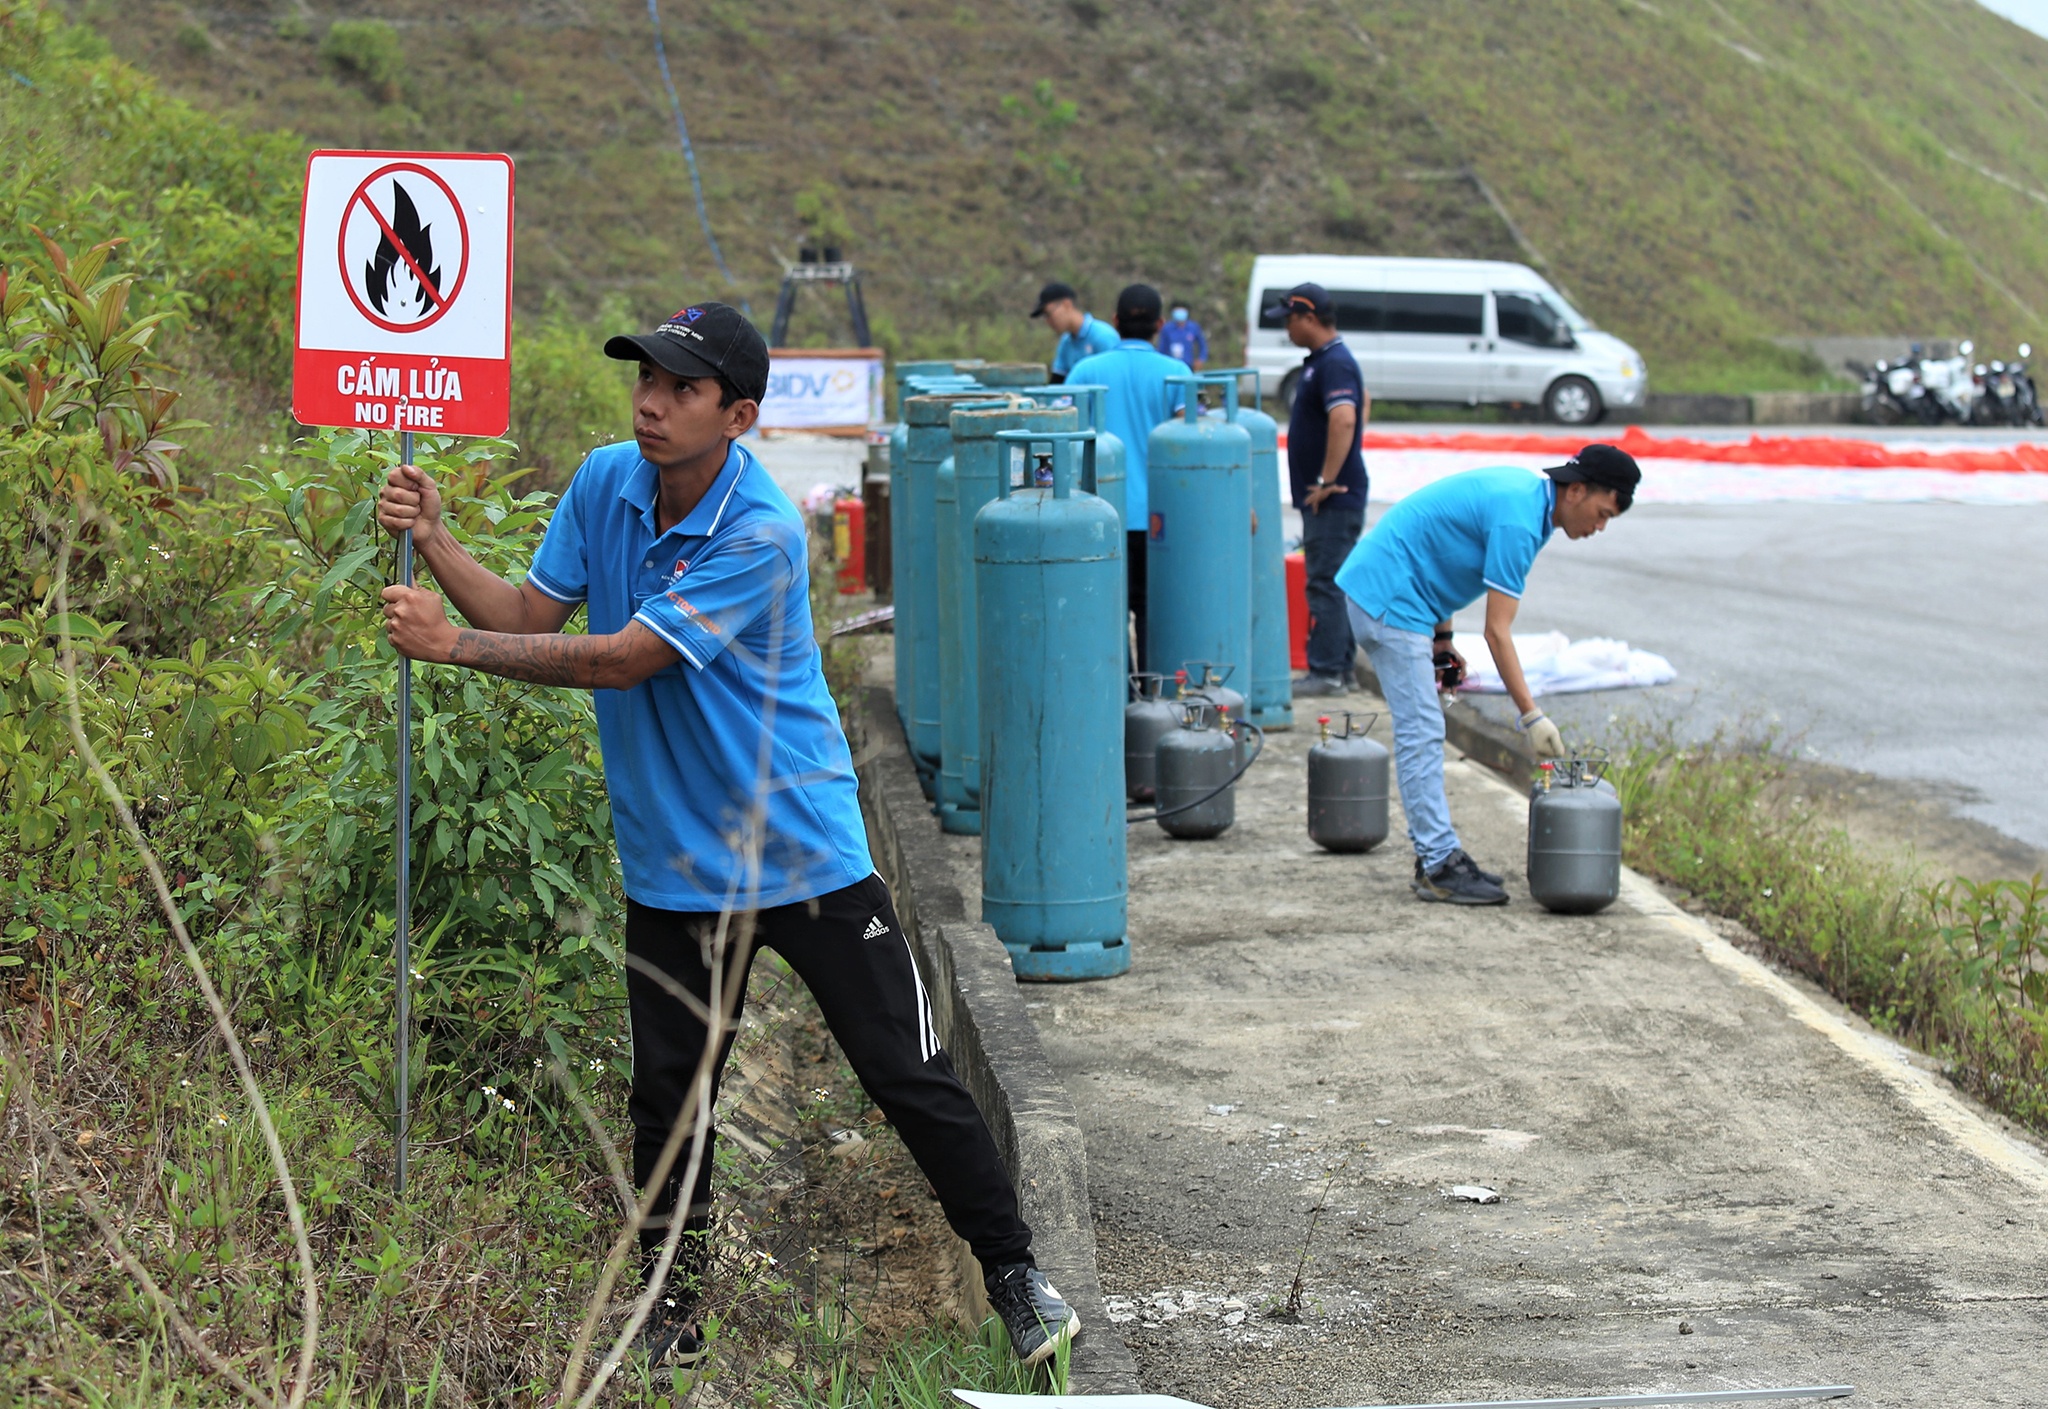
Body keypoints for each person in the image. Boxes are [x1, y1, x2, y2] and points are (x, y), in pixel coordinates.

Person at [374, 302, 1079, 1370]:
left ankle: (1015, 1274)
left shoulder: (758, 531)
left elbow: (619, 660)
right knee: (671, 1099)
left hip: (799, 847)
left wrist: (448, 644)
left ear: (738, 414)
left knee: (905, 1071)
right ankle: (673, 1313)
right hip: (675, 861)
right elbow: (529, 613)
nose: (651, 402)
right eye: (645, 379)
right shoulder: (607, 480)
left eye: (681, 387)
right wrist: (434, 540)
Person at [1334, 445, 1641, 905]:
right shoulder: (1519, 521)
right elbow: (1498, 633)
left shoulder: (1528, 503)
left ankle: (1441, 858)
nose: (1599, 528)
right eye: (1601, 514)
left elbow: (1441, 555)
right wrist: (1531, 715)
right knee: (1422, 731)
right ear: (1575, 491)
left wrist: (1442, 640)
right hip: (1389, 598)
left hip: (1404, 597)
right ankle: (1438, 865)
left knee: (1424, 728)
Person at [1066, 283, 1188, 669]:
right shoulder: (1177, 375)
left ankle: (1118, 698)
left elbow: (1057, 432)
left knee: (1106, 612)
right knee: (1153, 609)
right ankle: (1154, 696)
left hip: (1099, 513)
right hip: (1158, 519)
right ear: (1161, 324)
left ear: (1115, 322)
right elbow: (1192, 442)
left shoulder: (1086, 371)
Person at [1270, 283, 1370, 699]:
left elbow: (1345, 417)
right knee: (1333, 580)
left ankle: (1328, 670)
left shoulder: (1335, 363)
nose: (1287, 329)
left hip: (1334, 496)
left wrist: (1327, 480)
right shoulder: (1325, 362)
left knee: (1325, 581)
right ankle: (1339, 668)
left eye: (1290, 320)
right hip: (1330, 495)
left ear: (1309, 318)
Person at [1030, 280, 1118, 383]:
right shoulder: (1066, 342)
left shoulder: (1103, 336)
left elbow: (1115, 378)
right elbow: (1057, 382)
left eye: (1049, 314)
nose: (1048, 321)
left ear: (1067, 304)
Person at [1159, 304, 1208, 370]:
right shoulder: (1167, 328)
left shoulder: (1193, 327)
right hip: (1171, 364)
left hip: (1188, 364)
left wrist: (1201, 359)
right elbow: (1162, 348)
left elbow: (1202, 344)